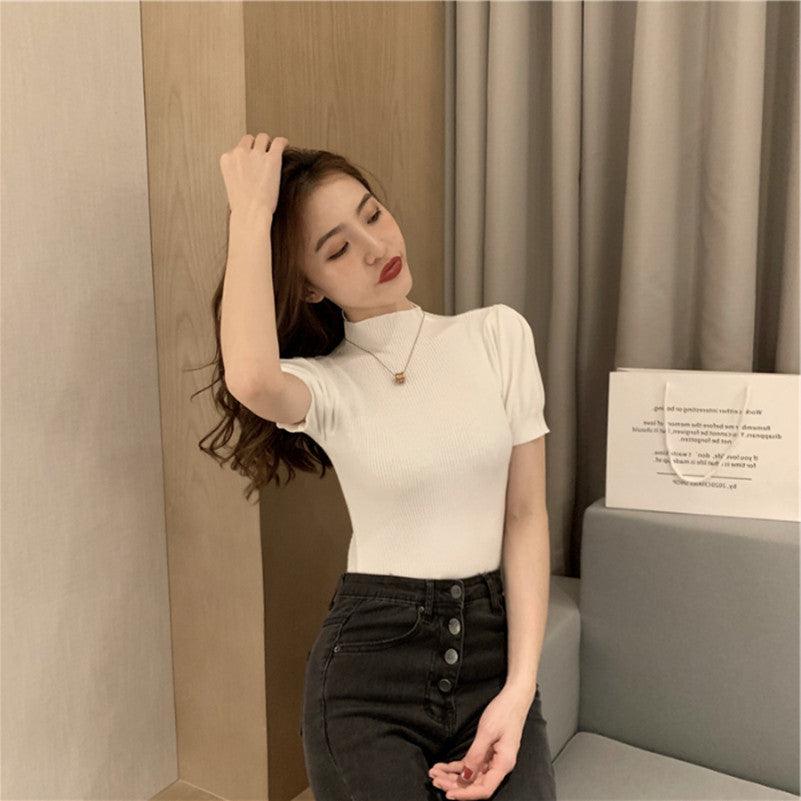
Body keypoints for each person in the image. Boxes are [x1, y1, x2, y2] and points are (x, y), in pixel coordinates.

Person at [206, 132, 557, 800]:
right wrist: (250, 212)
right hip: (369, 672)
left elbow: (524, 514)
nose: (375, 247)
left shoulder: (497, 334)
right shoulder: (327, 385)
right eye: (337, 249)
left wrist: (518, 692)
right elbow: (250, 376)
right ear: (309, 287)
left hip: (492, 657)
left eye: (372, 214)